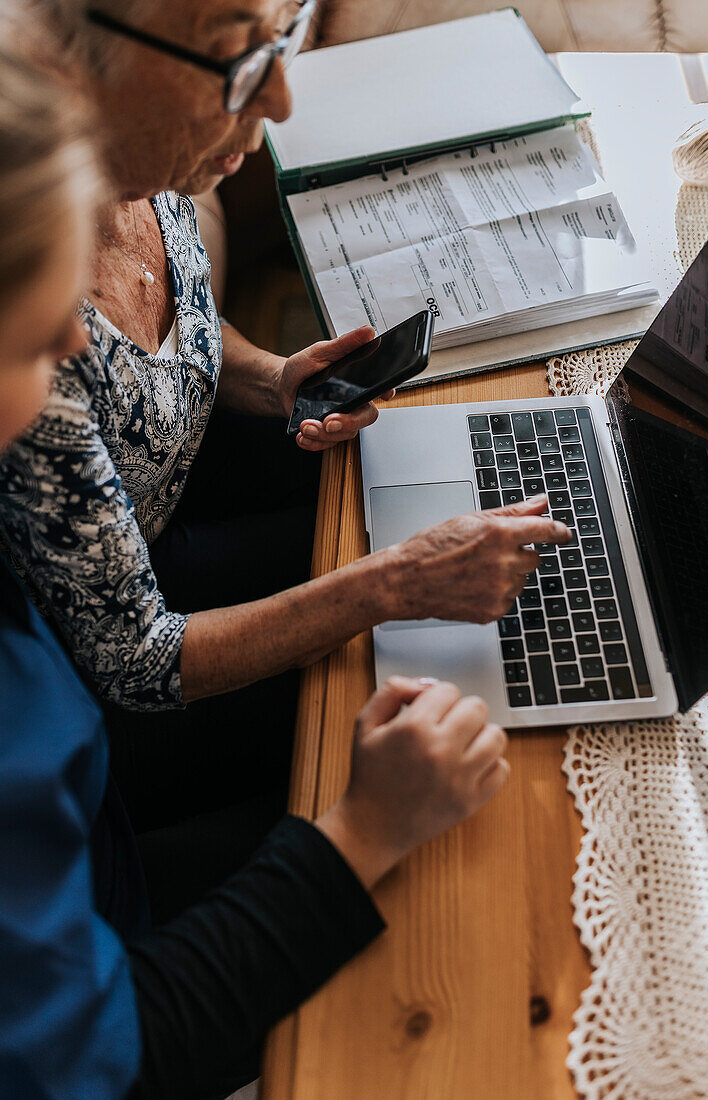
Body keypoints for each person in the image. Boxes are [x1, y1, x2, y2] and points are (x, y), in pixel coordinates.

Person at [0, 29, 519, 1099]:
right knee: (461, 894)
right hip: (119, 926)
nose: (82, 345)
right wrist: (360, 832)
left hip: (98, 839)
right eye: (37, 331)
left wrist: (275, 375)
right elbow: (103, 1059)